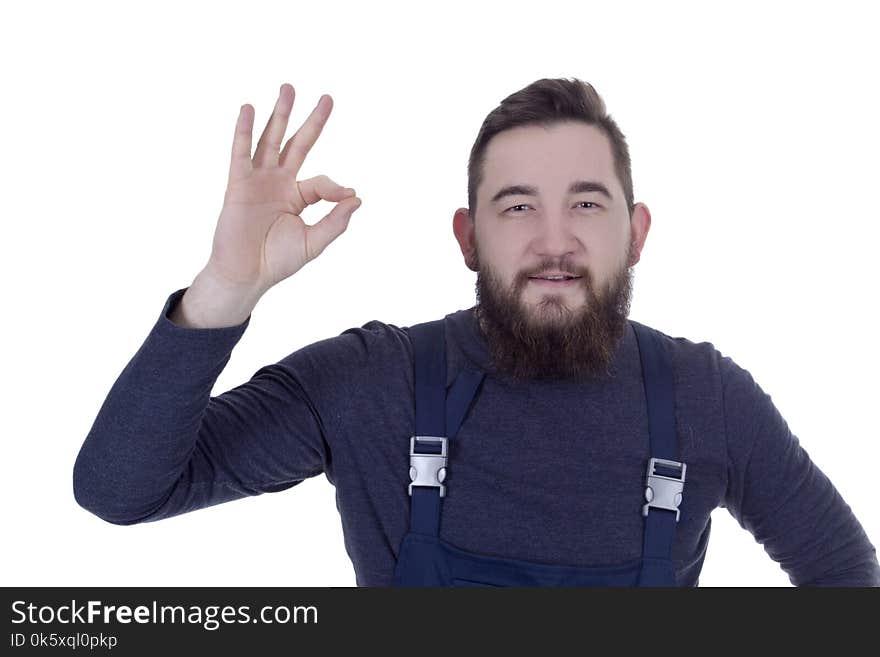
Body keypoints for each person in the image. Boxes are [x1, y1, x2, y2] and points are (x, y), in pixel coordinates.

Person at [73, 78, 880, 586]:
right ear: (467, 236)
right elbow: (120, 490)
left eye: (587, 204)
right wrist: (222, 291)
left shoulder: (710, 398)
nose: (554, 239)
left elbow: (846, 576)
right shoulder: (372, 382)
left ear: (635, 233)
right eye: (518, 205)